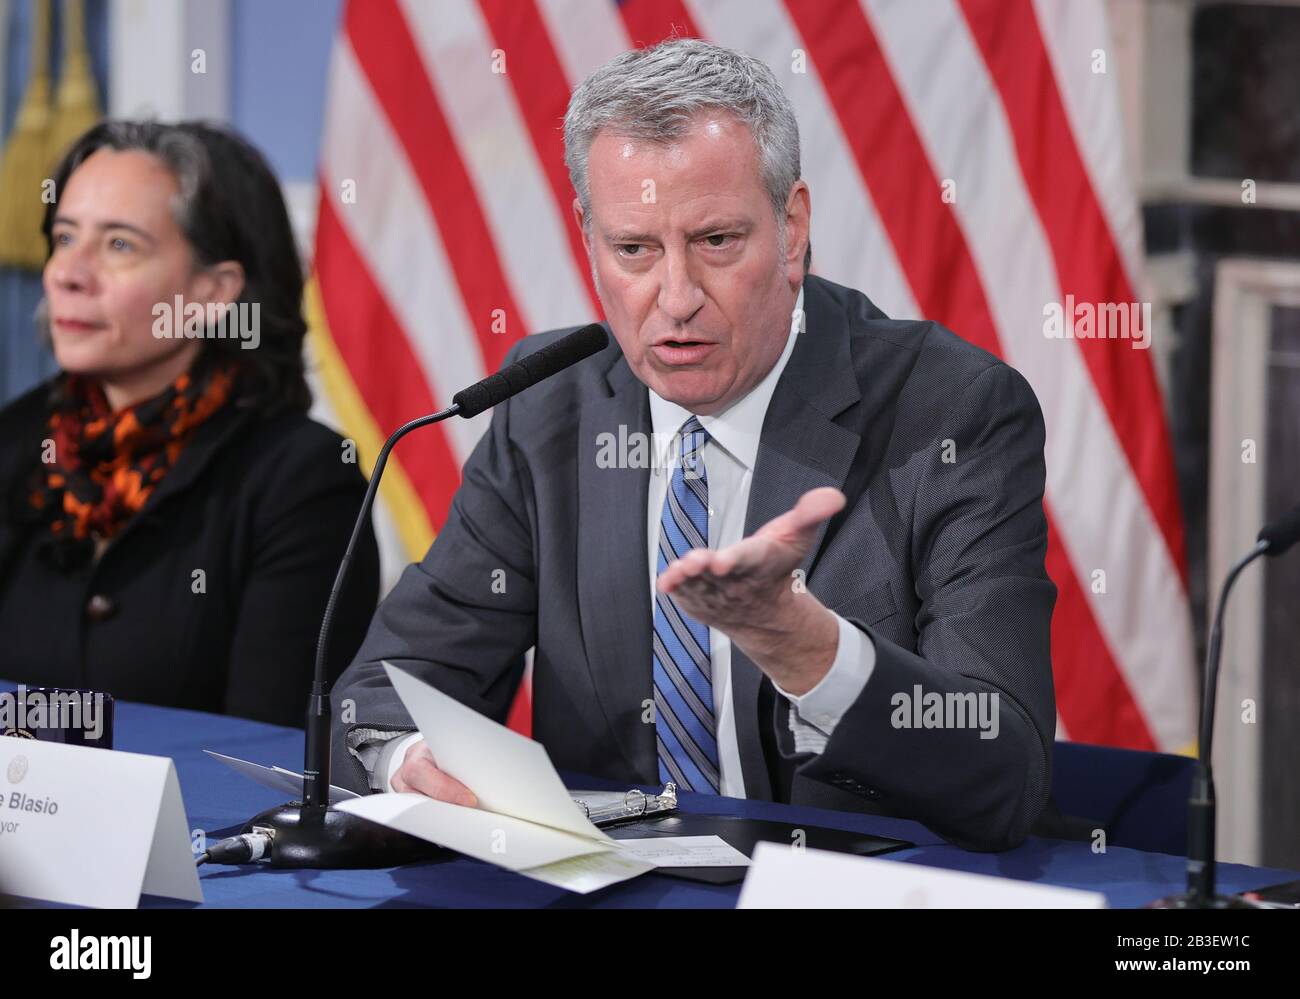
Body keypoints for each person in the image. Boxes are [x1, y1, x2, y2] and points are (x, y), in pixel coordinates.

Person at [330, 39, 1056, 851]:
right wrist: (411, 761)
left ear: (792, 228)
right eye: (634, 249)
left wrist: (810, 651)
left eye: (716, 241)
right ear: (587, 238)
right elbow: (381, 690)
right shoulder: (549, 406)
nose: (674, 299)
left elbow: (1006, 778)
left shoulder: (950, 413)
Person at [0, 121, 378, 728]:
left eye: (119, 245)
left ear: (212, 292)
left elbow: (272, 757)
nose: (68, 273)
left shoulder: (303, 483)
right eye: (65, 237)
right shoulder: (17, 442)